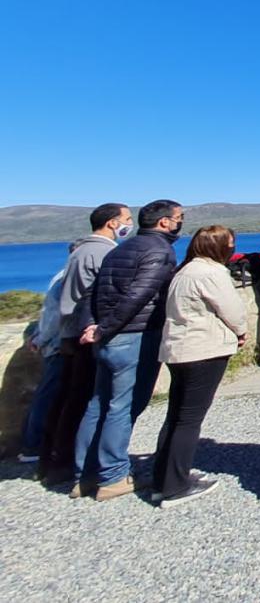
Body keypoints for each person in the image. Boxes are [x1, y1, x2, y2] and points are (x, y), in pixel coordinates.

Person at [72, 199, 182, 501]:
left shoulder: (121, 249)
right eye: (178, 218)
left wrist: (92, 327)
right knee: (124, 406)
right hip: (135, 336)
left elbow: (91, 293)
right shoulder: (159, 251)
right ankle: (113, 476)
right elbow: (139, 295)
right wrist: (106, 328)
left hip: (107, 338)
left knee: (98, 404)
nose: (180, 224)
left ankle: (84, 474)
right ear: (164, 223)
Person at [152, 225, 248, 508]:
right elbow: (232, 310)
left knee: (175, 416)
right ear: (217, 247)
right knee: (190, 419)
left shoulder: (185, 270)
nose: (232, 248)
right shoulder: (212, 273)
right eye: (229, 244)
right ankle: (175, 486)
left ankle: (164, 478)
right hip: (203, 349)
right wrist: (241, 331)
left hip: (179, 349)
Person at [39, 203, 130, 484]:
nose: (130, 223)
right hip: (87, 333)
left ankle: (58, 459)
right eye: (127, 219)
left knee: (72, 398)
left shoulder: (80, 251)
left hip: (74, 332)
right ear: (113, 223)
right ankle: (75, 463)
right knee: (86, 400)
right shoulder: (102, 252)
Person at [18, 267, 66, 466]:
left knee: (49, 395)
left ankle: (36, 442)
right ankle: (33, 444)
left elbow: (47, 311)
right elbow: (55, 314)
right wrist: (41, 338)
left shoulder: (61, 275)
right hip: (58, 344)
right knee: (48, 395)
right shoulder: (65, 278)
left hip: (54, 342)